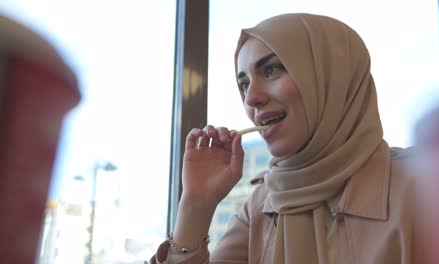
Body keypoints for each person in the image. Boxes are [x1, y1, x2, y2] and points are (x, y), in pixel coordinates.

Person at [149, 13, 419, 264]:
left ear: (330, 75)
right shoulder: (262, 204)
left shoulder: (429, 184)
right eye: (244, 84)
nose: (251, 98)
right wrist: (196, 205)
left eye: (270, 71)